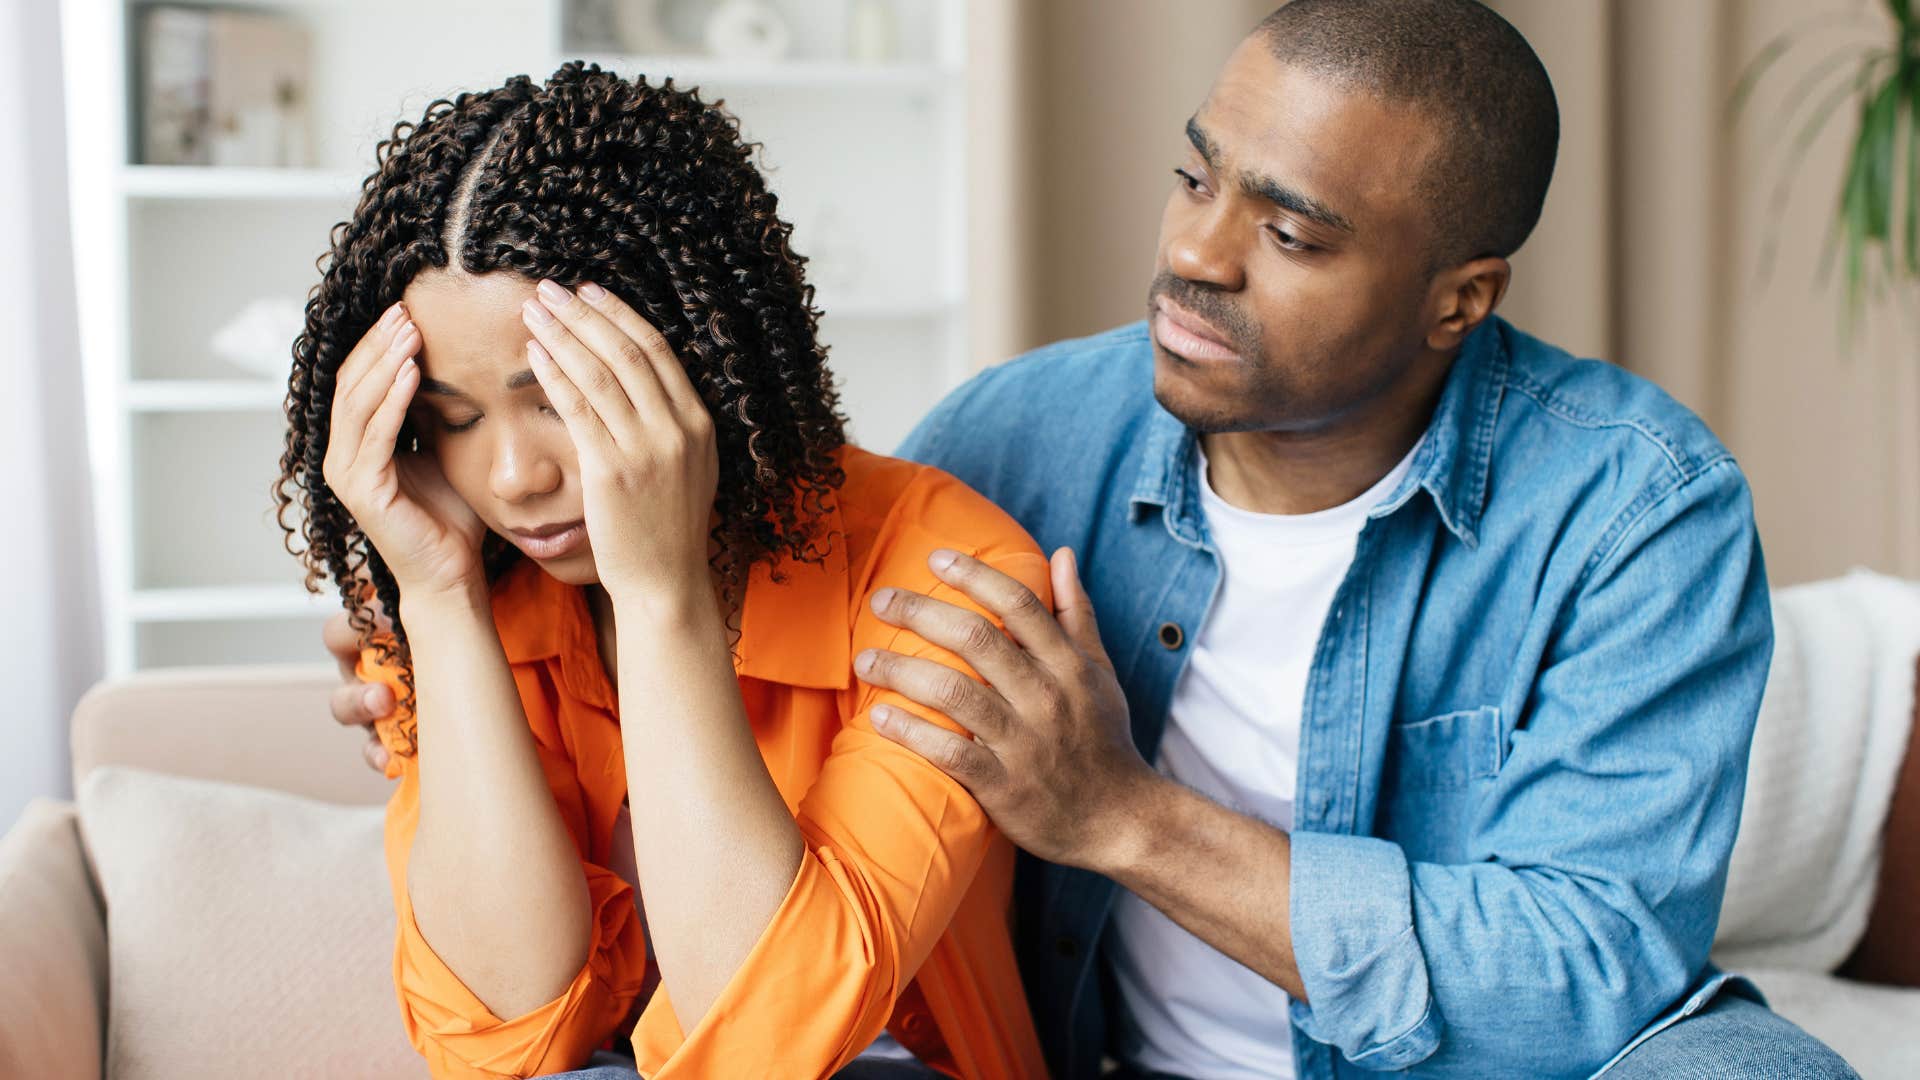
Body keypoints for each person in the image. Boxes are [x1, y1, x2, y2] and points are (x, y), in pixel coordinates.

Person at [325, 4, 1862, 1078]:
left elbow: (1588, 974)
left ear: (1463, 295)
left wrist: (1120, 814)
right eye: (1196, 176)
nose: (1193, 254)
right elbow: (783, 596)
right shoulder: (1013, 438)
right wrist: (454, 636)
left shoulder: (1634, 507)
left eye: (1290, 231)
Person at [279, 62, 1048, 1079]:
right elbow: (497, 1036)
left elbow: (770, 1040)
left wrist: (661, 594)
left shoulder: (949, 573)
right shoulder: (462, 576)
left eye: (559, 398)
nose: (513, 478)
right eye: (451, 422)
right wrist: (438, 602)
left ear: (704, 356)